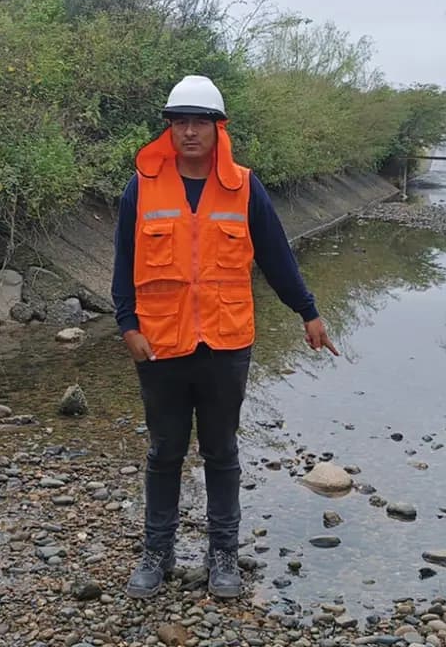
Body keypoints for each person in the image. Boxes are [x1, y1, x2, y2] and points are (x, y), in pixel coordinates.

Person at [111, 74, 338, 599]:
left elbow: (277, 256)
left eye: (200, 122)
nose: (190, 132)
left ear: (218, 128)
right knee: (165, 451)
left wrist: (308, 312)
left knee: (221, 451)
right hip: (160, 344)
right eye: (180, 122)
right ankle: (157, 551)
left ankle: (223, 555)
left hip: (226, 343)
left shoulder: (243, 187)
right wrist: (127, 325)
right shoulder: (140, 188)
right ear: (168, 128)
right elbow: (124, 263)